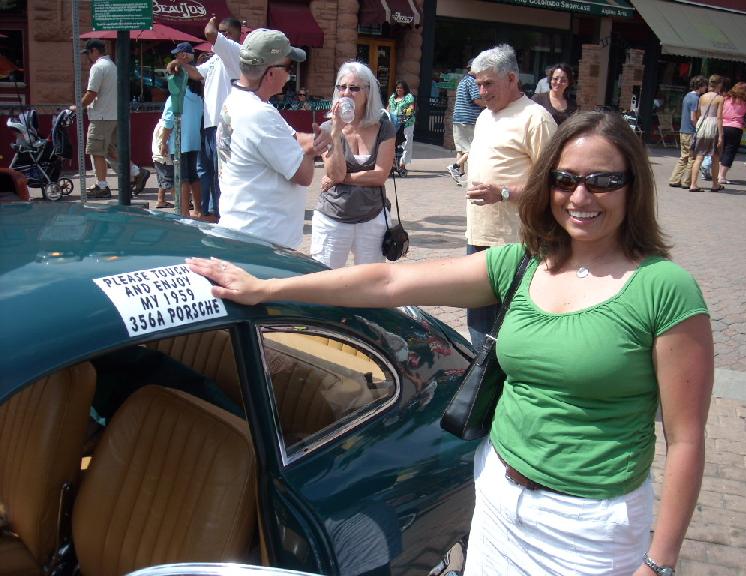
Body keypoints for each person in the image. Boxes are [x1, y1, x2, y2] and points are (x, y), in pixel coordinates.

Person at [187, 110, 713, 576]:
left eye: (602, 181)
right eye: (565, 179)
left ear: (632, 188)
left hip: (591, 529)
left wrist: (658, 563)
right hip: (499, 502)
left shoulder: (663, 290)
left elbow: (685, 440)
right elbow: (389, 283)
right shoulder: (522, 264)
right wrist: (267, 289)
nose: (580, 197)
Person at [464, 44, 556, 350]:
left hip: (517, 243)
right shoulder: (484, 118)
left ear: (512, 78)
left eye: (488, 83)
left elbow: (554, 184)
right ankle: (481, 390)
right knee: (478, 326)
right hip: (478, 237)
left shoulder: (536, 118)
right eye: (477, 83)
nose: (481, 91)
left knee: (512, 329)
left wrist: (502, 192)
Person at [216, 28, 330, 249]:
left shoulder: (240, 100)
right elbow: (303, 176)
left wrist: (310, 141)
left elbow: (294, 137)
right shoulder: (259, 114)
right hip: (262, 241)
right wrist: (312, 151)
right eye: (288, 68)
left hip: (245, 230)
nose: (290, 76)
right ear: (270, 73)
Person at [310, 61, 396, 268]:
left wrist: (343, 179)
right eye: (342, 87)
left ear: (368, 93)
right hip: (333, 216)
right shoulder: (328, 128)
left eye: (354, 88)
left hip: (372, 216)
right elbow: (335, 173)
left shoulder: (384, 127)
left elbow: (379, 176)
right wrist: (337, 131)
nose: (346, 93)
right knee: (325, 281)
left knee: (369, 285)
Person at [170, 16, 241, 221]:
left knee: (222, 175)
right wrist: (181, 64)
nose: (222, 35)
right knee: (207, 172)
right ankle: (212, 212)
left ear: (235, 34)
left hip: (225, 125)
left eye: (225, 31)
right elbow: (197, 74)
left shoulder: (234, 51)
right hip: (211, 125)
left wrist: (212, 23)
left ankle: (223, 215)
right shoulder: (217, 57)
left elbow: (210, 33)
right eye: (221, 31)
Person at [73, 39, 150, 199]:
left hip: (102, 116)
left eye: (88, 53)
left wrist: (77, 107)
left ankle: (102, 185)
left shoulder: (98, 67)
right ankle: (136, 172)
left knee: (96, 151)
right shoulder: (113, 66)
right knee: (111, 151)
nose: (87, 57)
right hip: (115, 115)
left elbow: (91, 93)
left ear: (94, 51)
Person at [158, 79, 204, 217]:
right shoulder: (198, 98)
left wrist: (163, 142)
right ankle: (198, 210)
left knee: (181, 178)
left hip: (179, 143)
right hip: (194, 141)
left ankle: (183, 212)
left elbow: (168, 122)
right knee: (193, 176)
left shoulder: (175, 97)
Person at [448, 59, 484, 184]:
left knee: (461, 149)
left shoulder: (462, 81)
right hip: (469, 119)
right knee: (472, 148)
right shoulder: (473, 81)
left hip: (458, 118)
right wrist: (488, 105)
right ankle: (455, 166)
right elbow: (476, 100)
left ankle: (460, 175)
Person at [668, 75, 708, 189]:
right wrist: (698, 128)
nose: (705, 88)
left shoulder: (687, 96)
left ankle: (674, 179)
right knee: (692, 158)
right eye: (704, 86)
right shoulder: (696, 99)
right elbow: (693, 117)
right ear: (700, 86)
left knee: (683, 156)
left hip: (683, 130)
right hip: (691, 132)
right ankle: (687, 182)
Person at [689, 75, 725, 192]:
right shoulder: (720, 98)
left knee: (699, 156)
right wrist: (721, 135)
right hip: (713, 127)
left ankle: (693, 184)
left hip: (702, 126)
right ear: (719, 85)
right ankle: (715, 185)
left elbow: (699, 113)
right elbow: (719, 117)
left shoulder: (702, 97)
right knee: (715, 157)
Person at [717, 82, 746, 185]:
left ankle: (718, 173)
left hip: (722, 126)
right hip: (736, 128)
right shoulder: (745, 103)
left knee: (721, 151)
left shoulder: (726, 99)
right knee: (730, 152)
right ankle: (722, 176)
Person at [386, 80, 416, 174]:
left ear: (404, 89)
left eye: (401, 88)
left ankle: (403, 164)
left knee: (406, 143)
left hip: (406, 123)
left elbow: (411, 107)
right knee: (392, 143)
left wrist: (405, 114)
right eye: (397, 88)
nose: (398, 89)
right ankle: (393, 163)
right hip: (393, 123)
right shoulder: (393, 97)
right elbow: (388, 107)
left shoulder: (408, 97)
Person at [151, 117, 174, 209]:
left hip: (158, 158)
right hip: (164, 158)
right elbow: (163, 144)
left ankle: (161, 200)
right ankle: (181, 201)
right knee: (171, 181)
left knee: (162, 180)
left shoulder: (159, 124)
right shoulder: (166, 127)